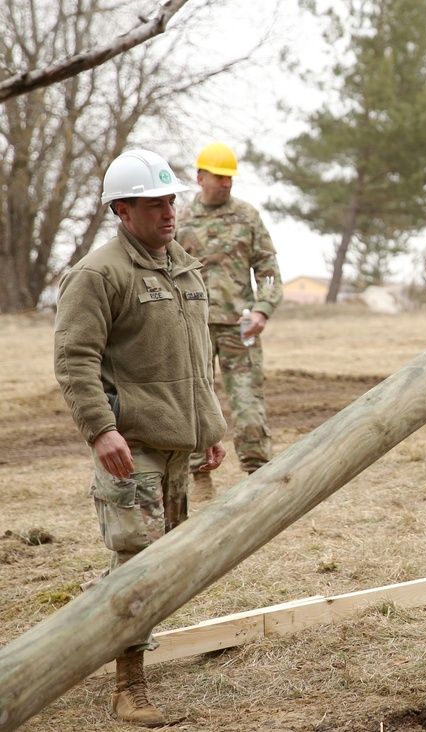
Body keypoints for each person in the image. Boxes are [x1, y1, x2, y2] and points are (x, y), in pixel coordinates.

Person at [54, 149, 228, 726]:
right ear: (122, 210)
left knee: (164, 566)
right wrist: (100, 430)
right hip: (132, 448)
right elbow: (75, 359)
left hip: (182, 446)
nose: (168, 212)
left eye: (171, 200)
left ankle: (78, 640)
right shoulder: (98, 274)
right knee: (138, 565)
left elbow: (199, 357)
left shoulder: (183, 267)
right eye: (154, 204)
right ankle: (129, 688)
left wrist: (212, 427)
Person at [177, 142, 283, 501]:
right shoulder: (180, 220)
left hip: (242, 327)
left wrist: (262, 309)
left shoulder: (248, 217)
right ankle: (199, 480)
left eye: (230, 179)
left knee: (248, 403)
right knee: (193, 403)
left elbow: (268, 269)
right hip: (192, 328)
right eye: (219, 177)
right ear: (200, 177)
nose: (225, 184)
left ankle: (258, 479)